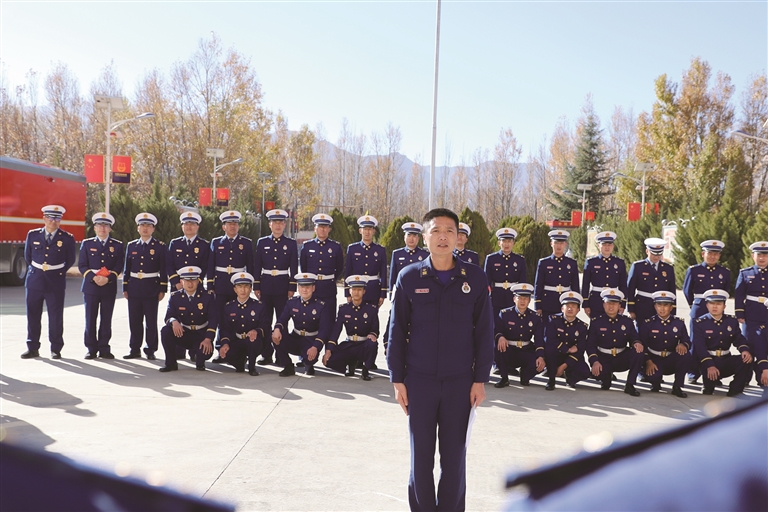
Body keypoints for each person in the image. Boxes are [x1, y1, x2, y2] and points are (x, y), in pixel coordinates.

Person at [387, 208, 494, 512]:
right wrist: (397, 380)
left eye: (449, 231)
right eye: (435, 230)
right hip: (419, 382)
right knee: (421, 459)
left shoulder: (474, 277)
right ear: (425, 237)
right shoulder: (409, 277)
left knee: (454, 459)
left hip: (460, 382)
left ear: (459, 237)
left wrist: (480, 379)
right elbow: (396, 330)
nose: (443, 237)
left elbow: (484, 332)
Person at [21, 205, 77, 359]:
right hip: (35, 280)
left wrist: (56, 271)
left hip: (55, 281)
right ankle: (32, 347)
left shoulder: (67, 238)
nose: (54, 221)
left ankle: (56, 348)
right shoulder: (33, 235)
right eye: (50, 217)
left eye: (57, 218)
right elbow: (28, 256)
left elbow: (70, 259)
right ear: (44, 218)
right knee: (33, 315)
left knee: (55, 316)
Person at [206, 210, 254, 361]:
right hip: (221, 286)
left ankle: (238, 350)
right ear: (224, 227)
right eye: (229, 224)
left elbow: (251, 266)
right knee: (221, 318)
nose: (233, 226)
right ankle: (221, 350)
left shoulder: (246, 243)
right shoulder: (216, 242)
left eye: (235, 224)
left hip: (239, 287)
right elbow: (210, 265)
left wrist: (250, 286)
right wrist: (210, 285)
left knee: (238, 318)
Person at [253, 209, 298, 365]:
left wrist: (292, 287)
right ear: (269, 224)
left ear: (285, 225)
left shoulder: (290, 243)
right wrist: (256, 285)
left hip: (283, 287)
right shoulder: (262, 242)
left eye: (281, 223)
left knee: (282, 322)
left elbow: (294, 268)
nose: (278, 226)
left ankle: (281, 355)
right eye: (275, 222)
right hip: (265, 286)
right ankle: (266, 354)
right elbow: (257, 265)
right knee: (265, 321)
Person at [682, 239, 730, 383]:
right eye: (710, 253)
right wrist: (694, 305)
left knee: (714, 341)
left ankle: (713, 375)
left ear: (719, 256)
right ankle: (692, 373)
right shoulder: (694, 270)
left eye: (716, 254)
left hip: (717, 312)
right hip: (699, 309)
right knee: (695, 341)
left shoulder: (724, 272)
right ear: (703, 254)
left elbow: (726, 291)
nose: (712, 257)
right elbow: (687, 291)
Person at [78, 212, 124, 359]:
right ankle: (91, 349)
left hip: (108, 286)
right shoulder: (87, 244)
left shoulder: (117, 245)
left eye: (106, 226)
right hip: (91, 286)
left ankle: (104, 348)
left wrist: (108, 278)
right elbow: (82, 265)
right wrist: (94, 278)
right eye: (99, 225)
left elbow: (119, 265)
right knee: (90, 318)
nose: (102, 228)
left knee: (106, 319)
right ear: (95, 228)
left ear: (110, 228)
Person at [122, 213, 167, 360]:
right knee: (134, 320)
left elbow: (163, 269)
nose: (145, 228)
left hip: (151, 288)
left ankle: (150, 349)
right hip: (134, 287)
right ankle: (134, 348)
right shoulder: (132, 245)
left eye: (148, 226)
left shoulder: (160, 247)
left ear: (153, 229)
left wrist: (162, 289)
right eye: (142, 226)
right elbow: (127, 268)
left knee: (151, 321)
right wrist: (125, 287)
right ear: (138, 228)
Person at [692, 289, 752, 396]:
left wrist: (744, 350)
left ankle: (736, 390)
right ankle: (708, 384)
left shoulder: (731, 321)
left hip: (725, 359)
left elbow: (738, 339)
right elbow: (700, 347)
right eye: (712, 303)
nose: (715, 307)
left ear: (724, 306)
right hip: (708, 361)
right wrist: (710, 365)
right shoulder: (699, 323)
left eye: (719, 304)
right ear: (707, 305)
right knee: (708, 391)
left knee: (746, 359)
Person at [158, 266, 217, 372]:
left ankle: (200, 360)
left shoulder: (207, 297)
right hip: (184, 333)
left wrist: (208, 339)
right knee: (165, 331)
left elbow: (213, 319)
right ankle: (171, 363)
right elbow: (168, 316)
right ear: (181, 282)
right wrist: (173, 321)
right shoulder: (175, 296)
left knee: (204, 355)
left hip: (201, 335)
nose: (190, 284)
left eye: (193, 280)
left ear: (198, 281)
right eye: (187, 281)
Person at [272, 273, 332, 377]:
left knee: (310, 359)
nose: (304, 290)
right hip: (295, 338)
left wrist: (315, 346)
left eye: (308, 287)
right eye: (302, 287)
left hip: (311, 341)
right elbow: (282, 319)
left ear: (313, 288)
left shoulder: (321, 306)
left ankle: (308, 364)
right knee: (274, 335)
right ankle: (288, 366)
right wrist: (277, 329)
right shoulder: (292, 302)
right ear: (298, 288)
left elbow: (324, 329)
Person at [586, 289, 644, 396]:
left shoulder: (627, 321)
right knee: (603, 381)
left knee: (638, 352)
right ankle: (606, 377)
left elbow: (634, 337)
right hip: (603, 358)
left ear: (619, 306)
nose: (611, 306)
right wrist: (594, 361)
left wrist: (636, 343)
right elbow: (590, 345)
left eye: (614, 303)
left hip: (621, 358)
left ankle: (630, 384)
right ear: (604, 305)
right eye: (608, 303)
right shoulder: (596, 322)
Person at [382, 222, 428, 353]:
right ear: (404, 237)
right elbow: (393, 276)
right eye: (409, 235)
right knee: (396, 319)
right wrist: (392, 295)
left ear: (418, 238)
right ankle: (389, 345)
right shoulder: (397, 254)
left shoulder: (424, 255)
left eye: (414, 236)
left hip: (418, 296)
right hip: (401, 295)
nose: (411, 239)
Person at [323, 275, 379, 381]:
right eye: (354, 289)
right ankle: (350, 364)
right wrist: (328, 350)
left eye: (359, 290)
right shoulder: (343, 309)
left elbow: (375, 328)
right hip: (349, 344)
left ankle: (366, 369)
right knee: (328, 361)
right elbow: (336, 331)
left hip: (363, 345)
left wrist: (372, 334)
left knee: (372, 344)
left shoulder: (371, 309)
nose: (356, 292)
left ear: (364, 291)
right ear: (350, 291)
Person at [638, 291, 691, 397]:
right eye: (659, 305)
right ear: (655, 307)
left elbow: (687, 340)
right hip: (654, 360)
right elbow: (642, 344)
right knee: (653, 377)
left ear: (671, 307)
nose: (662, 308)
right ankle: (655, 383)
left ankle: (677, 387)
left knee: (685, 354)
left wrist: (683, 344)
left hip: (670, 359)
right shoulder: (648, 323)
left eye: (665, 305)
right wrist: (648, 361)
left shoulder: (679, 323)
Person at [218, 272, 271, 376]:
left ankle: (252, 367)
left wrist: (256, 331)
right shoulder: (229, 307)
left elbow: (265, 324)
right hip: (237, 340)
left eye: (246, 286)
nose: (243, 290)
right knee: (226, 353)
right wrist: (225, 343)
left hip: (254, 342)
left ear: (250, 289)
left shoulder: (259, 306)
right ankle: (240, 363)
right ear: (235, 289)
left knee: (253, 342)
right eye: (239, 287)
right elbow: (225, 328)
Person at [493, 283, 544, 388]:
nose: (522, 301)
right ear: (514, 299)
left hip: (526, 349)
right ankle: (504, 378)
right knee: (496, 347)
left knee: (543, 358)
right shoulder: (505, 314)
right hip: (509, 349)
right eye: (520, 298)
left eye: (525, 298)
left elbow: (539, 339)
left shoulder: (535, 317)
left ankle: (525, 374)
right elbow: (497, 330)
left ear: (529, 301)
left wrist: (541, 356)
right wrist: (500, 337)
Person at [300, 213, 345, 323]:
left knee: (329, 319)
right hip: (312, 288)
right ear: (315, 229)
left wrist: (331, 279)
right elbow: (303, 267)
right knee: (311, 319)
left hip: (328, 288)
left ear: (329, 229)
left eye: (325, 227)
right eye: (320, 227)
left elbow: (340, 267)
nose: (323, 229)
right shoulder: (307, 246)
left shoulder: (335, 247)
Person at [543, 291, 590, 391]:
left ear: (578, 310)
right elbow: (549, 339)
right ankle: (551, 380)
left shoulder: (582, 327)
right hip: (555, 354)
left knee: (585, 371)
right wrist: (567, 349)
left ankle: (570, 378)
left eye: (573, 306)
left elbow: (580, 349)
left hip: (570, 358)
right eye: (567, 306)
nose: (570, 309)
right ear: (562, 308)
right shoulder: (553, 320)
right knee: (550, 350)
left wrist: (563, 366)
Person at [627, 237, 676, 324]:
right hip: (642, 306)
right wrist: (631, 309)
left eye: (659, 254)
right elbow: (630, 289)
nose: (656, 257)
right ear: (647, 251)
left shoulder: (668, 268)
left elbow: (672, 290)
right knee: (642, 330)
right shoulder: (638, 266)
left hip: (662, 307)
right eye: (653, 254)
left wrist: (673, 310)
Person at [580, 231, 628, 319]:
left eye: (609, 245)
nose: (607, 247)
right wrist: (585, 303)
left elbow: (623, 285)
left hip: (614, 299)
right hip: (596, 300)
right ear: (598, 246)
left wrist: (623, 303)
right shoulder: (591, 262)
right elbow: (585, 284)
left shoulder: (619, 263)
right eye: (604, 244)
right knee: (596, 324)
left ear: (613, 246)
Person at [534, 230, 580, 318]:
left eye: (561, 243)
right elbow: (538, 285)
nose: (559, 246)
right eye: (556, 243)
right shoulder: (544, 263)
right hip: (548, 302)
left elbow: (575, 286)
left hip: (565, 302)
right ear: (551, 244)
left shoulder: (572, 263)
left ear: (565, 244)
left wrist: (576, 304)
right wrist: (537, 305)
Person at [345, 215, 387, 308]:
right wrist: (347, 292)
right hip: (356, 289)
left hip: (374, 290)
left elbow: (383, 273)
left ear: (373, 231)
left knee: (373, 315)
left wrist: (383, 294)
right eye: (365, 229)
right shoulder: (352, 248)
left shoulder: (380, 250)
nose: (367, 232)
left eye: (369, 229)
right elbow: (348, 271)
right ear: (360, 231)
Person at [484, 227, 527, 317]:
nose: (506, 244)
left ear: (513, 243)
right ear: (499, 243)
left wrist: (521, 298)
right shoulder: (491, 259)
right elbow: (486, 281)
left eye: (509, 241)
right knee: (496, 321)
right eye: (504, 241)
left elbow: (522, 281)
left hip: (513, 297)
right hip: (496, 297)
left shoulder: (520, 260)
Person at [166, 211, 210, 293]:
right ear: (182, 227)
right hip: (178, 286)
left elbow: (205, 266)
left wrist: (197, 282)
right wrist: (176, 282)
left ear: (197, 227)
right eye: (186, 224)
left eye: (192, 224)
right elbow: (169, 264)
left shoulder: (204, 245)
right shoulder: (175, 243)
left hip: (196, 286)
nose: (189, 227)